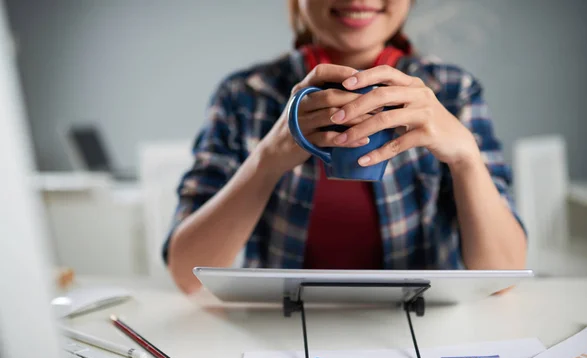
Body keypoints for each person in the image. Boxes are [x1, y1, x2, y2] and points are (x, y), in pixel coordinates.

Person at [163, 0, 527, 294]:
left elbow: (503, 276)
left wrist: (466, 158)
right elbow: (187, 275)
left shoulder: (454, 91)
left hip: (422, 330)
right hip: (279, 332)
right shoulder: (245, 94)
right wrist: (268, 158)